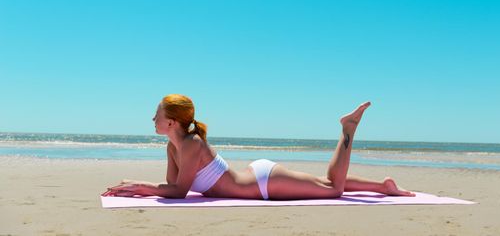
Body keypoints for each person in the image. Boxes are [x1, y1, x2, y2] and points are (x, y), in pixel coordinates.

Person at [103, 94, 414, 200]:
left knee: (332, 188)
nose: (152, 118)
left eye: (157, 114)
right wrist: (144, 187)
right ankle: (383, 188)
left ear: (171, 121)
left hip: (263, 184)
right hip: (254, 178)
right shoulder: (173, 147)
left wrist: (139, 186)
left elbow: (180, 192)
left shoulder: (192, 144)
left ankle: (347, 130)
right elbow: (173, 186)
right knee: (322, 184)